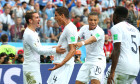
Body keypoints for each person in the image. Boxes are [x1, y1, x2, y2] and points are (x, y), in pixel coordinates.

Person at [23, 11, 66, 84]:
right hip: (30, 68)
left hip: (34, 67)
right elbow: (39, 50)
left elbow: (40, 47)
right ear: (30, 20)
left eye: (39, 17)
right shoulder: (29, 34)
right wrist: (55, 50)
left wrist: (52, 47)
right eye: (36, 17)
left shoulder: (33, 33)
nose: (39, 19)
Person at [107, 6, 140, 84]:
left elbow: (117, 49)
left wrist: (112, 72)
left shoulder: (116, 27)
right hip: (135, 69)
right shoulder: (136, 30)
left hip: (122, 67)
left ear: (115, 16)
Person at [47, 7, 78, 84]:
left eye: (56, 15)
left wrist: (61, 63)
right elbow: (66, 47)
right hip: (60, 63)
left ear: (62, 16)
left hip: (63, 65)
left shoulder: (70, 29)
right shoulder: (67, 28)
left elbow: (73, 49)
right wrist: (55, 51)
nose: (55, 18)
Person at [75, 12, 106, 84]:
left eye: (95, 20)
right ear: (88, 20)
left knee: (94, 82)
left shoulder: (100, 31)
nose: (93, 22)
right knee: (78, 83)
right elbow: (76, 37)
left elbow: (92, 39)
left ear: (98, 20)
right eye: (91, 20)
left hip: (98, 60)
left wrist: (82, 43)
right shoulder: (84, 28)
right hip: (88, 60)